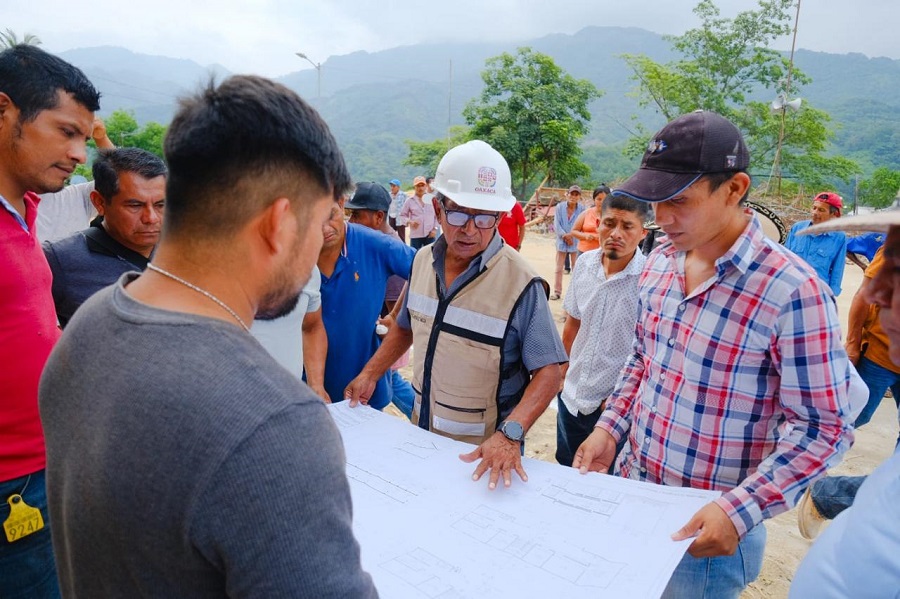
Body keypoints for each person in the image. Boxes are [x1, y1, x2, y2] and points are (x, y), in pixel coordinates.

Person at [39, 75, 376, 597]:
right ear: (280, 222)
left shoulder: (89, 324)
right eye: (319, 224)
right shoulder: (273, 420)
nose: (318, 248)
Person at [572, 111, 857, 599]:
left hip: (705, 535)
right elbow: (642, 361)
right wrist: (609, 429)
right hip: (633, 494)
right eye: (657, 200)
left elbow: (824, 428)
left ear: (734, 189)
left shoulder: (792, 291)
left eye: (679, 200)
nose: (662, 218)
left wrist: (739, 510)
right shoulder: (660, 265)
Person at [346, 140, 567, 490]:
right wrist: (370, 374)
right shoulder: (422, 262)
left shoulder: (521, 283)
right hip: (423, 436)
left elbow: (550, 371)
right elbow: (404, 327)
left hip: (485, 453)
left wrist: (510, 434)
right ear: (438, 208)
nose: (470, 230)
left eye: (485, 217)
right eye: (459, 214)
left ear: (500, 217)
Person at [0, 44, 100, 599]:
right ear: (5, 111)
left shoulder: (26, 209)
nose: (79, 153)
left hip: (41, 466)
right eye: (66, 132)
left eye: (85, 137)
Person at [790, 209, 900, 598]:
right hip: (879, 356)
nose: (876, 294)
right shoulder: (799, 233)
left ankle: (828, 493)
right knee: (853, 414)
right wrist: (853, 341)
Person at [556, 194, 649, 467]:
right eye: (609, 223)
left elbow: (650, 351)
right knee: (566, 466)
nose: (616, 234)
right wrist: (561, 374)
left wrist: (619, 400)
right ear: (597, 225)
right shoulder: (584, 265)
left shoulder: (649, 279)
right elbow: (573, 323)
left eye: (627, 226)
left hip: (612, 408)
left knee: (603, 476)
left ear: (643, 233)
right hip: (571, 396)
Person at [318, 181, 416, 410]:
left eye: (330, 215)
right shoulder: (290, 250)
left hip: (363, 389)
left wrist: (396, 315)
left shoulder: (375, 244)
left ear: (340, 203)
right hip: (309, 386)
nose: (323, 228)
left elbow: (426, 271)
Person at [43, 147, 167, 327]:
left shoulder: (184, 252)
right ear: (99, 203)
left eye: (160, 205)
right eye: (135, 205)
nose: (151, 218)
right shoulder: (58, 260)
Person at [346, 181, 417, 418]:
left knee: (387, 384)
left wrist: (392, 318)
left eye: (357, 215)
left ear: (378, 217)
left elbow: (398, 302)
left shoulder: (389, 250)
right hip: (375, 340)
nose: (351, 221)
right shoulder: (367, 243)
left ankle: (422, 417)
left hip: (383, 341)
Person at [36, 117, 114, 243]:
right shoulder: (9, 203)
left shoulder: (79, 197)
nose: (79, 157)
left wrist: (101, 138)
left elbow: (118, 179)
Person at [784, 191, 848, 295]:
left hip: (817, 293)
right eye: (814, 208)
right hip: (790, 287)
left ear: (833, 214)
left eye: (821, 210)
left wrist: (832, 294)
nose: (815, 212)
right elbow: (785, 257)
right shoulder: (797, 228)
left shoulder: (839, 238)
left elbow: (838, 269)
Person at [552, 185, 584, 299]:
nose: (573, 197)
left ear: (579, 197)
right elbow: (556, 224)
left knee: (577, 268)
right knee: (558, 268)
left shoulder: (582, 209)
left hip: (576, 242)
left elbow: (582, 226)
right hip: (562, 241)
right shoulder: (559, 207)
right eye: (571, 194)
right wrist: (565, 236)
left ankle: (574, 294)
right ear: (567, 194)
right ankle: (557, 292)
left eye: (576, 195)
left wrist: (571, 235)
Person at [398, 175, 438, 249]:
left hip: (430, 234)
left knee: (430, 254)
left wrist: (435, 229)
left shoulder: (432, 199)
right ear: (414, 187)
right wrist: (410, 222)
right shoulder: (409, 201)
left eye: (422, 185)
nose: (420, 188)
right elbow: (402, 215)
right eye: (418, 186)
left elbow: (437, 215)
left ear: (426, 186)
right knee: (415, 254)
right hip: (416, 235)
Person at [569, 184, 609, 254]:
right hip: (584, 252)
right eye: (599, 199)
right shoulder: (586, 213)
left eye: (605, 199)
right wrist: (585, 236)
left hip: (604, 253)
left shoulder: (613, 216)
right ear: (594, 200)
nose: (602, 202)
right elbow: (573, 231)